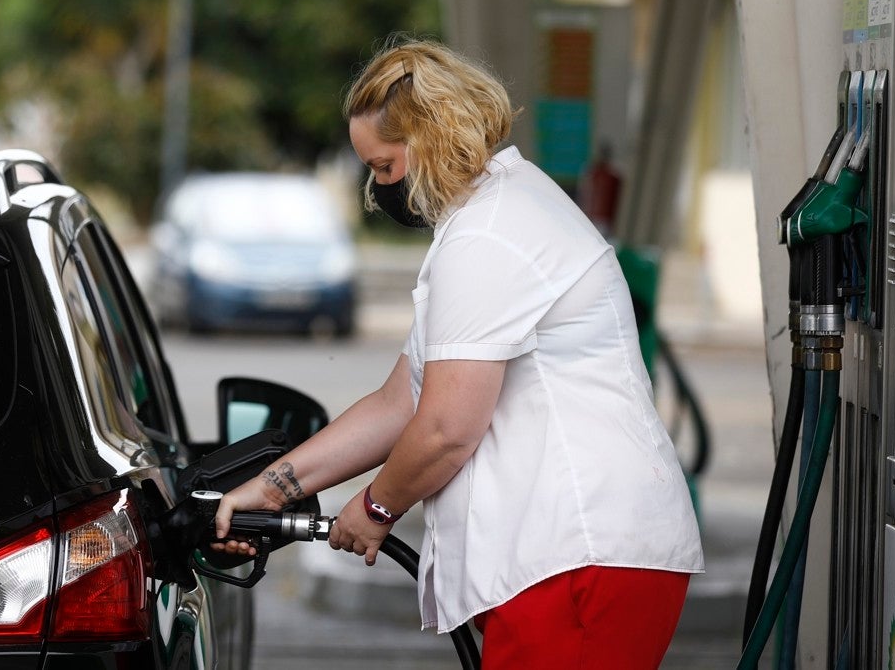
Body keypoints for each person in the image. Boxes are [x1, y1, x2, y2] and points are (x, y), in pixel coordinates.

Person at [212, 37, 704, 669]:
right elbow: (399, 402)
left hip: (581, 556)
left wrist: (375, 508)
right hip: (569, 558)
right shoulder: (490, 217)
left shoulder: (490, 236)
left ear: (434, 137)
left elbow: (446, 428)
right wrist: (273, 489)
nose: (377, 188)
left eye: (385, 167)